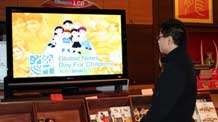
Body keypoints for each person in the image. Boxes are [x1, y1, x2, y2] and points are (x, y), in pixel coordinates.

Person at [140, 19, 197, 122]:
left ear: (169, 40)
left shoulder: (176, 66)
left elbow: (161, 108)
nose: (158, 41)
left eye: (160, 37)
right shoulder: (183, 59)